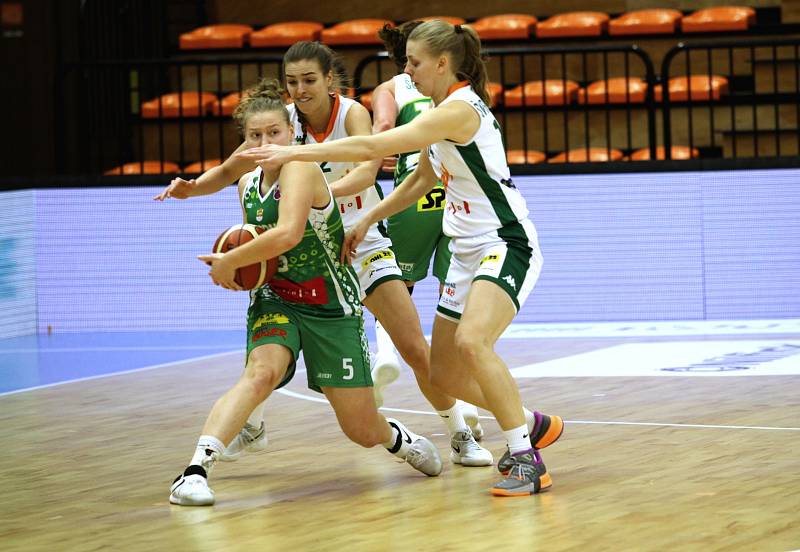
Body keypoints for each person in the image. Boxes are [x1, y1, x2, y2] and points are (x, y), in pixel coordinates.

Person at [239, 21, 565, 496]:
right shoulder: (439, 110)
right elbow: (422, 180)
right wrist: (368, 217)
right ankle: (531, 423)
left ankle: (524, 456)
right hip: (465, 250)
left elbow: (374, 146)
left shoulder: (457, 109)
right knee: (443, 374)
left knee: (473, 342)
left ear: (441, 62)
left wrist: (294, 155)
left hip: (504, 240)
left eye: (413, 62)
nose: (406, 71)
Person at [159, 41, 493, 469]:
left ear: (330, 79)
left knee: (413, 346)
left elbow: (368, 170)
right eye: (292, 82)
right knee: (269, 352)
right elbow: (231, 169)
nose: (300, 90)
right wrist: (192, 187)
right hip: (306, 250)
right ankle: (252, 426)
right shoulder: (280, 124)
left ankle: (459, 433)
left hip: (359, 239)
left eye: (309, 80)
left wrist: (312, 197)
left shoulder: (352, 112)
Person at [330, 23, 486, 436]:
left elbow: (381, 133)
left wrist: (371, 150)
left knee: (398, 286)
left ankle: (385, 352)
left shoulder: (392, 88)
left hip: (413, 201)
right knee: (457, 307)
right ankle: (468, 403)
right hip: (453, 203)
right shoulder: (462, 91)